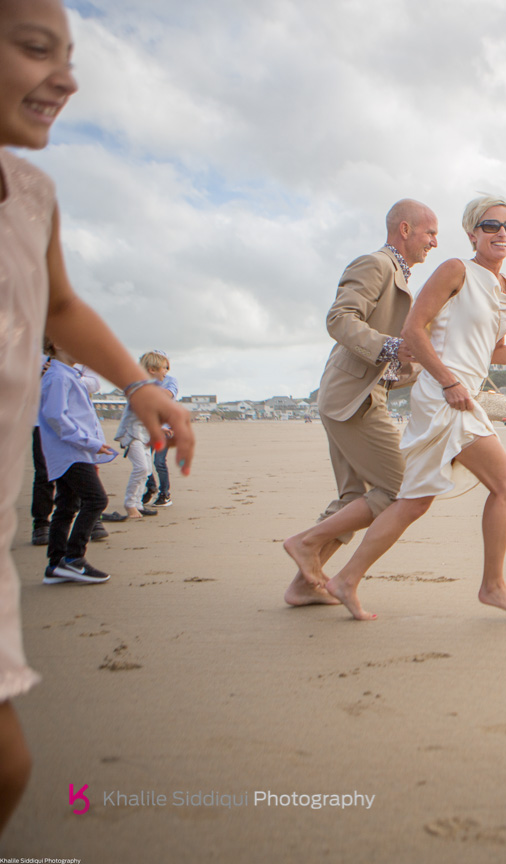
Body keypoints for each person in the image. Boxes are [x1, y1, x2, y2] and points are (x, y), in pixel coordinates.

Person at [0, 0, 196, 835]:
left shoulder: (31, 192)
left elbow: (65, 302)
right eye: (36, 49)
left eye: (70, 54)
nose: (67, 78)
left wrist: (137, 385)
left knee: (9, 764)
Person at [325, 195, 506, 620]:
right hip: (445, 393)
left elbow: (493, 350)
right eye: (490, 225)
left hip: (461, 392)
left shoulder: (505, 289)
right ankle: (493, 586)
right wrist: (448, 381)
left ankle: (345, 578)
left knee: (413, 501)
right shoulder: (456, 270)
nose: (502, 233)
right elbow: (413, 329)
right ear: (472, 233)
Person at [280, 199, 438, 606]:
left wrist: (418, 364)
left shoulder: (401, 277)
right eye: (430, 233)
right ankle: (306, 542)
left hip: (356, 395)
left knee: (353, 498)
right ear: (404, 230)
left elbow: (400, 357)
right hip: (354, 399)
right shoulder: (375, 264)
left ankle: (302, 586)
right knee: (401, 489)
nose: (434, 243)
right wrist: (392, 346)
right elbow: (340, 319)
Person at [37, 338, 113, 585]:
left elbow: (80, 415)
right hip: (71, 452)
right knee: (96, 499)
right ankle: (73, 559)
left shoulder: (66, 374)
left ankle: (56, 564)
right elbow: (55, 416)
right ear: (57, 344)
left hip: (73, 451)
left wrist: (93, 445)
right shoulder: (58, 376)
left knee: (67, 505)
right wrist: (89, 443)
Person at [103, 351, 170, 521]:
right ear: (152, 369)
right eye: (164, 368)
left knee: (146, 470)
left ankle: (138, 503)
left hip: (144, 435)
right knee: (141, 468)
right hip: (132, 434)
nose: (166, 372)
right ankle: (130, 504)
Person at [142, 351, 178, 507]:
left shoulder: (170, 381)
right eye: (163, 367)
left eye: (166, 366)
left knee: (159, 462)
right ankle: (150, 487)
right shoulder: (142, 382)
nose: (166, 370)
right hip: (147, 428)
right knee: (144, 462)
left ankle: (165, 493)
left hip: (166, 427)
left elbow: (168, 395)